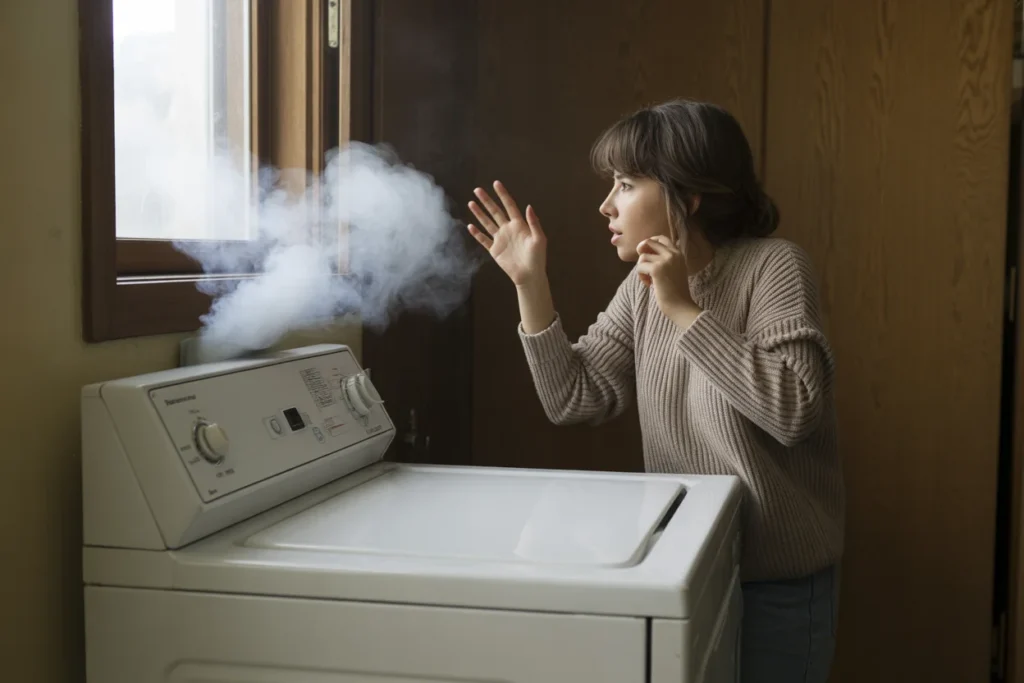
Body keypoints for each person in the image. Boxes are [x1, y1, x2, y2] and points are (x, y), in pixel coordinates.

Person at [465, 98, 844, 682]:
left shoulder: (775, 268)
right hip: (685, 571)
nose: (606, 205)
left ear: (686, 196)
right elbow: (574, 398)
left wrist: (684, 309)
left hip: (779, 580)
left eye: (624, 184)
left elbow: (793, 412)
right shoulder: (640, 289)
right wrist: (530, 283)